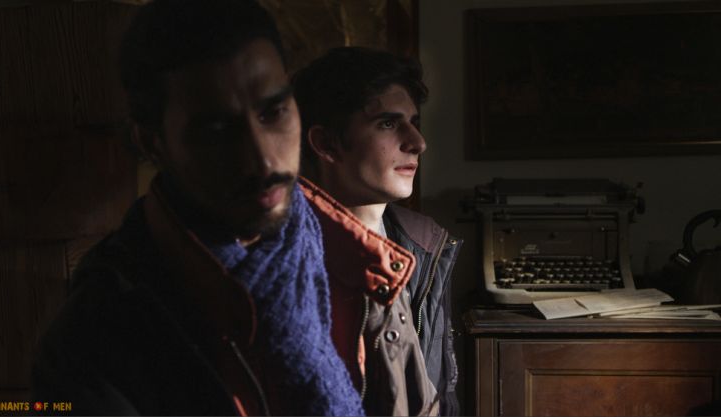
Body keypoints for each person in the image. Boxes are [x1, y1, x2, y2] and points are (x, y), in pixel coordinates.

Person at [31, 1, 422, 415]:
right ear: (152, 142)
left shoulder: (359, 257)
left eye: (273, 112)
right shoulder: (97, 338)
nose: (263, 160)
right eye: (216, 130)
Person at [293, 46, 463, 416]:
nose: (417, 142)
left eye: (413, 121)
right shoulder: (288, 256)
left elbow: (440, 388)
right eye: (388, 123)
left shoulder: (426, 242)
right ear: (326, 143)